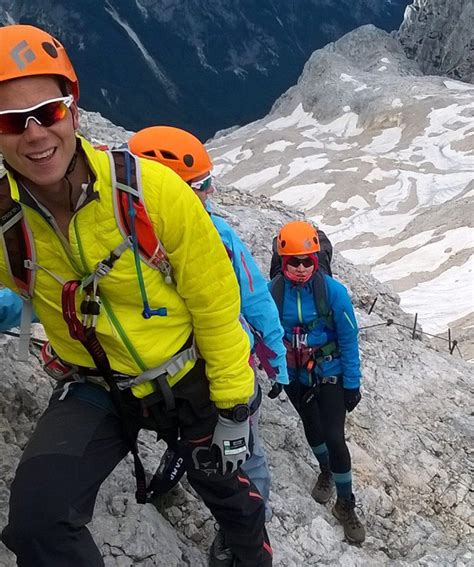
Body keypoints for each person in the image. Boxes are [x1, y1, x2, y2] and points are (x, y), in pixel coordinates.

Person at [0, 24, 272, 567]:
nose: (34, 135)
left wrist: (236, 406)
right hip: (96, 388)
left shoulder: (152, 193)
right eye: (10, 121)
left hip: (188, 379)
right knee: (37, 521)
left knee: (235, 508)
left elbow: (216, 302)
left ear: (74, 112)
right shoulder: (5, 221)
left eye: (49, 112)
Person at [129, 126, 289, 565]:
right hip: (183, 368)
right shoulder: (210, 235)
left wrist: (275, 362)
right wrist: (275, 363)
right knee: (228, 443)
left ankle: (246, 522)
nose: (209, 192)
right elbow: (255, 299)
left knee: (242, 447)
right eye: (199, 186)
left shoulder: (211, 234)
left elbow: (256, 301)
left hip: (207, 366)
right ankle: (211, 496)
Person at [269, 220, 366, 544]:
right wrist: (274, 371)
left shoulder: (334, 293)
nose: (299, 268)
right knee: (311, 428)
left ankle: (346, 503)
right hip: (295, 374)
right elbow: (265, 334)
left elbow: (349, 339)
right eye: (292, 261)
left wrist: (352, 384)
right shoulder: (274, 293)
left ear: (316, 259)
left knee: (335, 437)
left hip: (329, 370)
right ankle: (325, 470)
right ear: (282, 262)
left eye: (306, 261)